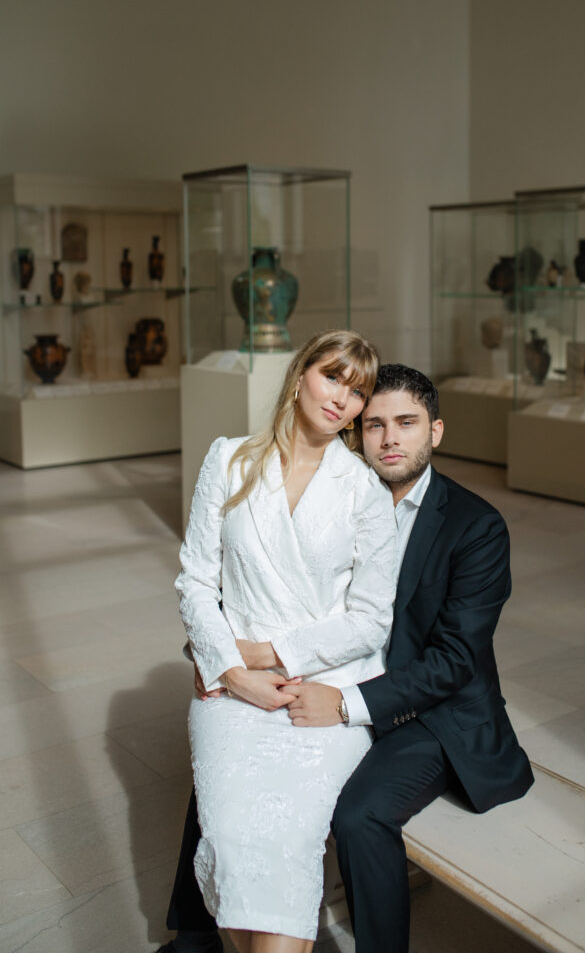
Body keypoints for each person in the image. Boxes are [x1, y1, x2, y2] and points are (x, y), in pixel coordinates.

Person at [160, 364, 533, 953]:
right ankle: (199, 931)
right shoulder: (336, 492)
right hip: (328, 675)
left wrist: (346, 704)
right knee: (232, 772)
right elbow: (247, 593)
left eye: (406, 424)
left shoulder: (476, 526)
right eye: (374, 424)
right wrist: (225, 663)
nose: (389, 439)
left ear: (435, 432)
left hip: (430, 712)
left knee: (359, 815)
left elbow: (455, 661)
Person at [171, 330, 398, 953]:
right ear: (301, 375)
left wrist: (266, 655)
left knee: (287, 835)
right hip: (231, 695)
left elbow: (371, 619)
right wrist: (230, 671)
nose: (343, 401)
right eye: (333, 378)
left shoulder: (365, 493)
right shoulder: (229, 459)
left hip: (322, 693)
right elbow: (195, 579)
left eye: (358, 393)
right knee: (231, 834)